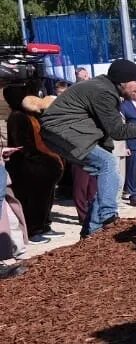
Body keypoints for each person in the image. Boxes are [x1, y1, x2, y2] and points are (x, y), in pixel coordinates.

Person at [39, 59, 136, 237]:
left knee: (109, 179)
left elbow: (103, 126)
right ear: (122, 81)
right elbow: (118, 130)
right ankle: (109, 216)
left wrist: (107, 146)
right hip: (60, 130)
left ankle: (92, 230)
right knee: (108, 164)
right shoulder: (103, 92)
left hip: (67, 131)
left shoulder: (104, 88)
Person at [3, 84, 64, 242]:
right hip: (28, 168)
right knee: (32, 200)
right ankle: (33, 230)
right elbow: (23, 145)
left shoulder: (31, 114)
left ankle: (44, 224)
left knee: (45, 198)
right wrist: (42, 160)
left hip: (42, 166)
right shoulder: (17, 116)